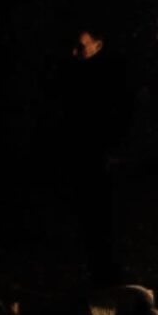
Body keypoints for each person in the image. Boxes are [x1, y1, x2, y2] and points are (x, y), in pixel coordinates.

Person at [54, 18, 134, 287]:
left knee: (103, 213)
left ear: (98, 45)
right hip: (84, 153)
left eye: (81, 46)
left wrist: (113, 148)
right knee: (87, 212)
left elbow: (119, 115)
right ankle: (94, 264)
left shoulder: (109, 76)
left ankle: (107, 268)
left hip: (102, 155)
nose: (75, 52)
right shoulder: (75, 74)